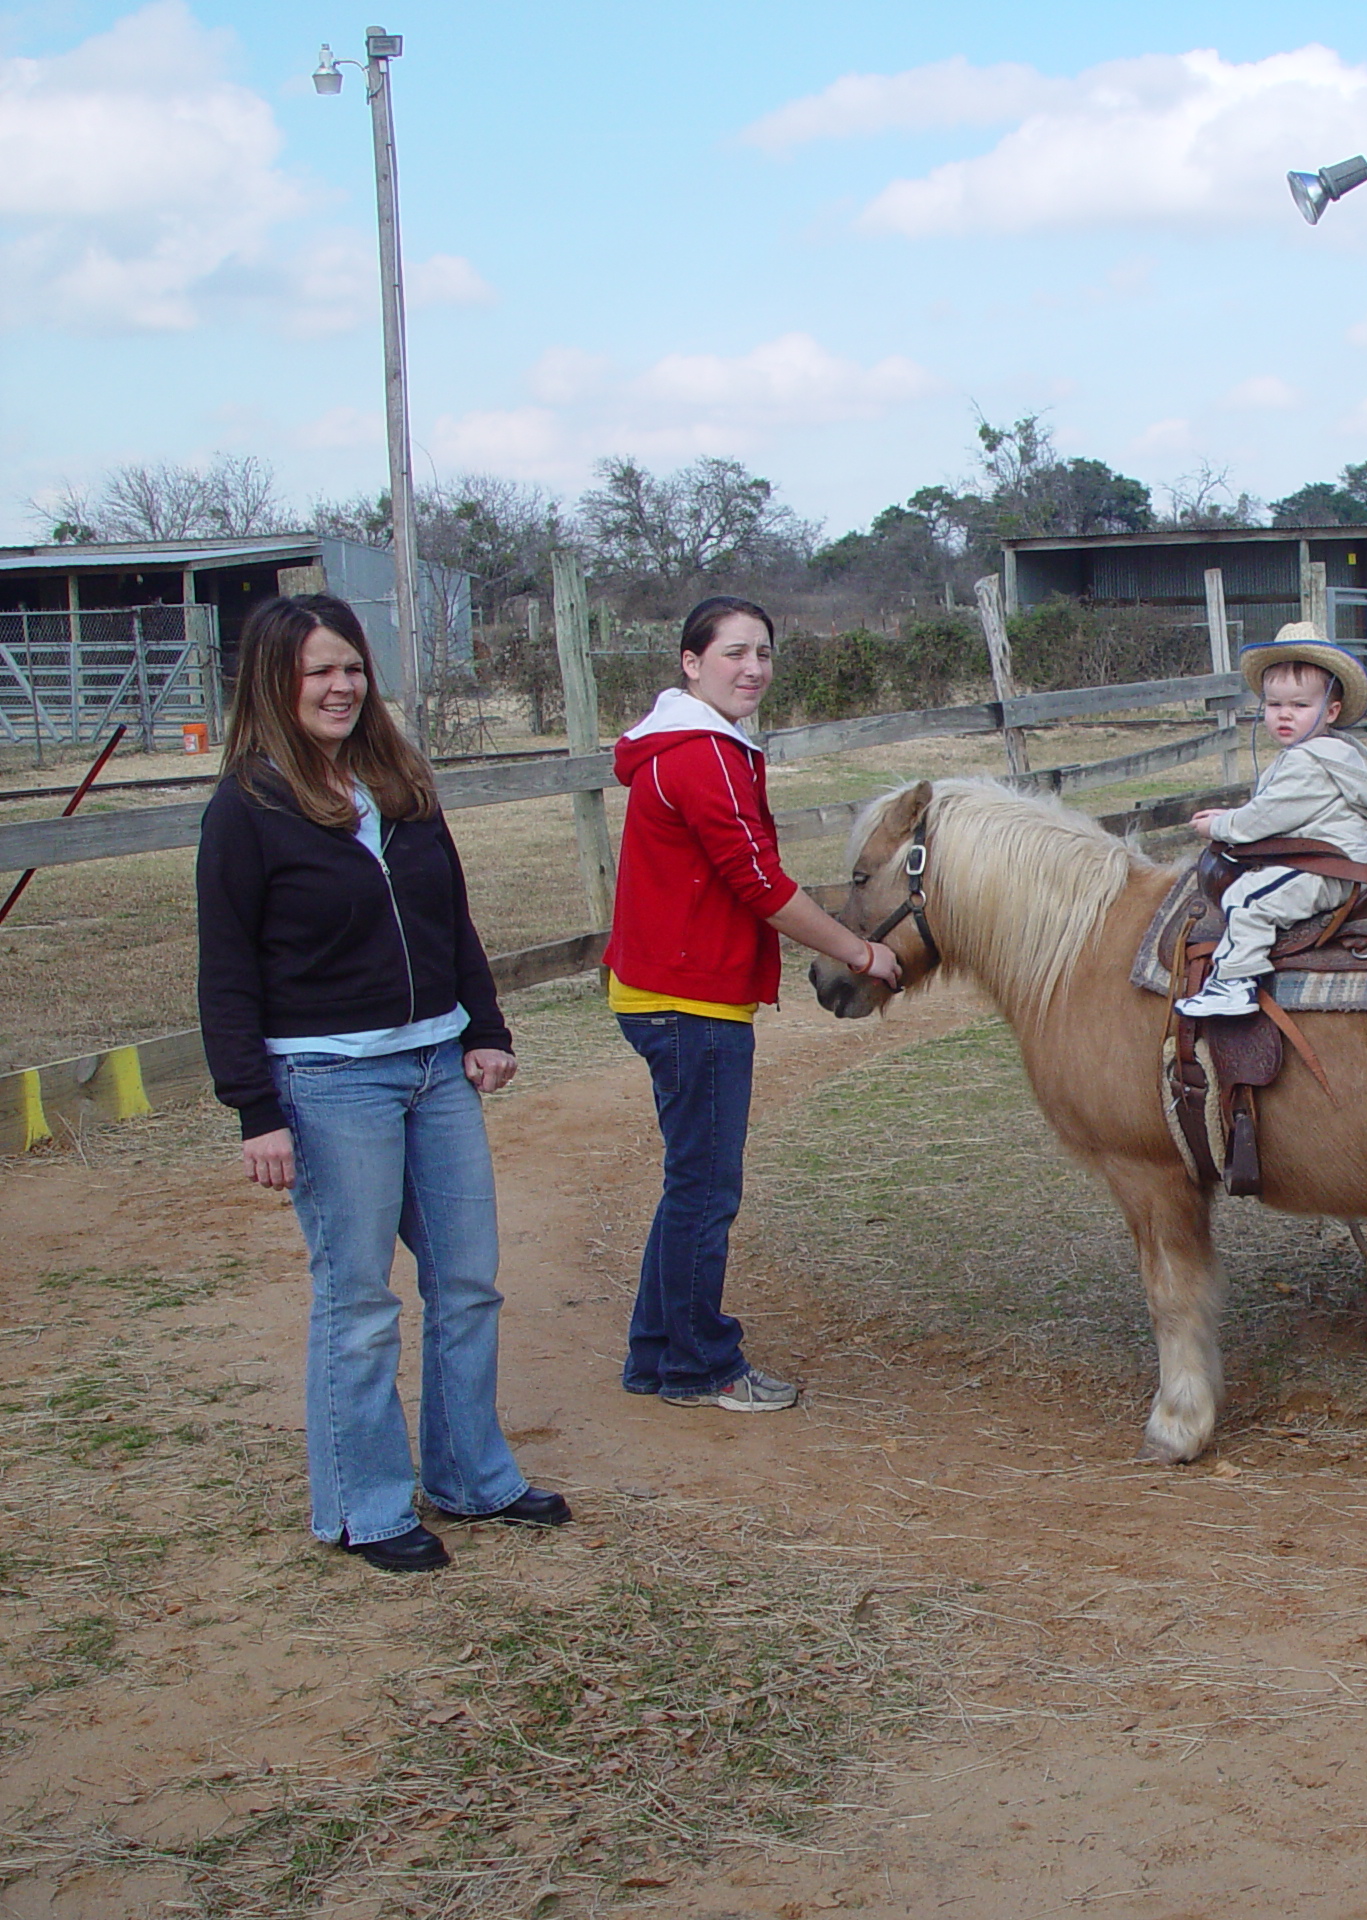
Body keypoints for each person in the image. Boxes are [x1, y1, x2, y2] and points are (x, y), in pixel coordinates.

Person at [196, 594, 567, 1574]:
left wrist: (483, 1027)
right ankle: (364, 1506)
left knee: (465, 1280)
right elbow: (226, 968)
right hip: (327, 1083)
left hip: (436, 1065)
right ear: (276, 682)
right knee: (359, 1301)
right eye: (319, 670)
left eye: (351, 667)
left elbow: (452, 918)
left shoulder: (397, 783)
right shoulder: (247, 805)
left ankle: (471, 1476)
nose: (340, 686)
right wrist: (255, 1111)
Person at [605, 596, 900, 1413]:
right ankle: (700, 1364)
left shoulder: (693, 748)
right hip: (686, 999)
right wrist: (857, 949)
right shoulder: (701, 756)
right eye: (734, 653)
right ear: (690, 664)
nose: (753, 669)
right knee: (705, 1189)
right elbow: (762, 886)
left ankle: (658, 1352)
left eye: (763, 653)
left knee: (690, 1182)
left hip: (670, 991)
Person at [1174, 625, 1367, 1019]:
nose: (1284, 715)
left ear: (1330, 712)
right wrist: (1231, 815)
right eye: (1274, 704)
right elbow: (1279, 810)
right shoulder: (1329, 753)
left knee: (1245, 899)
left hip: (1325, 871)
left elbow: (1264, 818)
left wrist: (1221, 827)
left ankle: (1234, 983)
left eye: (1299, 706)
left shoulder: (1309, 760)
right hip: (1331, 862)